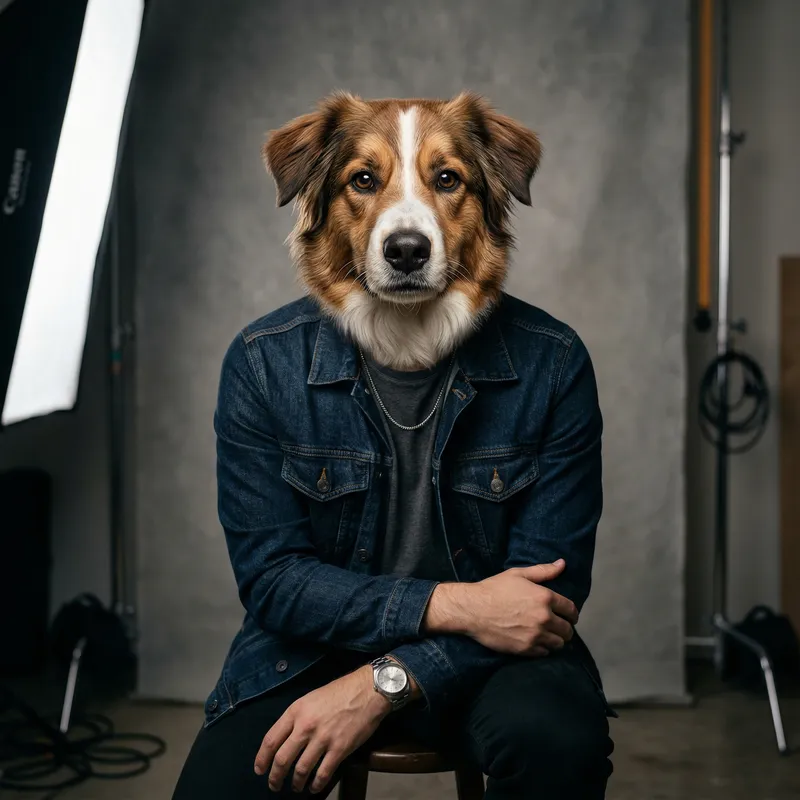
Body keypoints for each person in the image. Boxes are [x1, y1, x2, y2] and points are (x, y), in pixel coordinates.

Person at [173, 92, 615, 799]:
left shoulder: (553, 363)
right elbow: (274, 581)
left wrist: (385, 682)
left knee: (554, 742)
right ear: (319, 206)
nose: (406, 230)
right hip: (310, 652)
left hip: (493, 659)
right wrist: (458, 605)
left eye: (446, 182)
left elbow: (543, 602)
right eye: (365, 180)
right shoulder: (262, 363)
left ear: (484, 210)